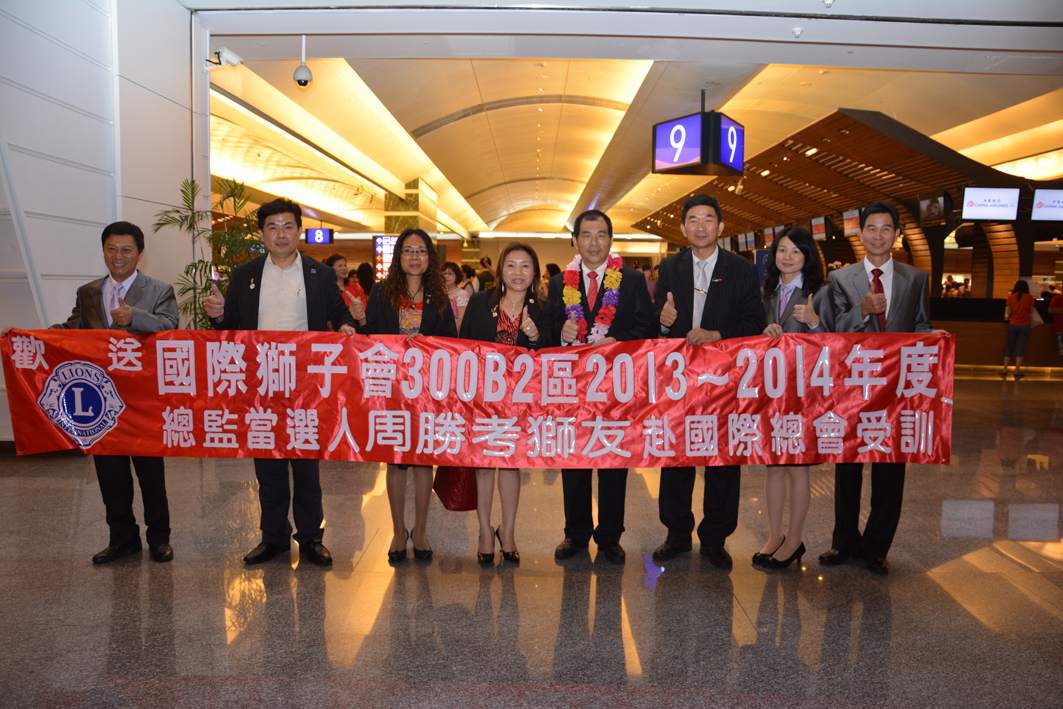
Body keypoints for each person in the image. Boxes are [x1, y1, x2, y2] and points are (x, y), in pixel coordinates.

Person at [1, 222, 179, 564]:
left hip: (143, 401)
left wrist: (135, 316)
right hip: (101, 400)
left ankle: (159, 539)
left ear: (140, 253)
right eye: (112, 249)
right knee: (110, 475)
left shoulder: (159, 289)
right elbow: (70, 330)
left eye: (126, 250)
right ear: (104, 251)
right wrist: (26, 335)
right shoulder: (89, 291)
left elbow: (170, 328)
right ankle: (122, 538)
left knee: (150, 475)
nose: (118, 256)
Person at [204, 199, 356, 567]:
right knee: (268, 463)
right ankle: (272, 538)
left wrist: (348, 324)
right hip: (261, 383)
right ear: (262, 233)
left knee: (306, 465)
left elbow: (339, 314)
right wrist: (218, 316)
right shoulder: (246, 274)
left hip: (307, 383)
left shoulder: (319, 274)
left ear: (299, 231)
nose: (281, 234)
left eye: (288, 226)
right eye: (272, 227)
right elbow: (231, 326)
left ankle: (311, 538)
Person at [818, 200, 935, 575]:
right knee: (848, 468)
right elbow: (832, 330)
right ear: (861, 232)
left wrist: (934, 339)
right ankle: (844, 542)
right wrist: (863, 310)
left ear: (897, 235)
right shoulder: (841, 278)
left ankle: (877, 547)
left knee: (890, 469)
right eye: (872, 228)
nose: (878, 235)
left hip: (895, 391)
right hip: (853, 387)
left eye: (886, 228)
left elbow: (920, 326)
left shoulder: (916, 278)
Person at [652, 194, 766, 569]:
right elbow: (657, 320)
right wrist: (663, 321)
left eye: (708, 220)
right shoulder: (670, 267)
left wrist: (716, 335)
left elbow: (754, 323)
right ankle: (677, 533)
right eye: (693, 220)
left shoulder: (742, 269)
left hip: (724, 378)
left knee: (722, 457)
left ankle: (715, 538)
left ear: (721, 227)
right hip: (680, 379)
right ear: (683, 228)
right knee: (676, 454)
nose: (700, 227)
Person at [547, 209, 654, 564]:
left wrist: (616, 341)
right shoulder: (560, 283)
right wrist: (560, 333)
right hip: (572, 390)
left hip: (616, 390)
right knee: (574, 460)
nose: (594, 243)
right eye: (586, 235)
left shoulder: (632, 280)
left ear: (611, 239)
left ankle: (610, 537)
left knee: (613, 460)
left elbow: (646, 330)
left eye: (601, 235)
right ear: (575, 240)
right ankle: (575, 534)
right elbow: (548, 331)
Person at [353, 228, 457, 562]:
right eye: (408, 250)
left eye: (421, 251)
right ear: (398, 256)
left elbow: (451, 342)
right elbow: (369, 338)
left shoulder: (439, 296)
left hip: (426, 391)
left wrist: (430, 344)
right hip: (391, 389)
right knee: (396, 460)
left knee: (423, 459)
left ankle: (421, 531)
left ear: (430, 258)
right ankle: (399, 532)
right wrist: (360, 320)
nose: (415, 257)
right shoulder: (382, 292)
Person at [459, 242, 552, 564]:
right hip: (484, 398)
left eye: (525, 266)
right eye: (511, 265)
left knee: (512, 464)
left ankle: (508, 531)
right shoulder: (481, 302)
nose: (518, 272)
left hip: (522, 401)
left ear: (534, 273)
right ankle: (485, 531)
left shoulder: (542, 308)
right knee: (484, 466)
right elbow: (464, 348)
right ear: (500, 271)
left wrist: (535, 335)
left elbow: (554, 351)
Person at [756, 226, 833, 570]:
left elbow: (836, 344)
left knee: (797, 465)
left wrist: (814, 322)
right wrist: (762, 332)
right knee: (773, 464)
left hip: (803, 393)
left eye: (796, 251)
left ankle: (795, 540)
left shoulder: (821, 292)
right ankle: (775, 536)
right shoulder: (767, 291)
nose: (787, 257)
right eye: (782, 250)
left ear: (807, 257)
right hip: (771, 391)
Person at [1002, 279, 1035, 380]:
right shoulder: (1030, 297)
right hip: (1025, 325)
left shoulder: (1011, 297)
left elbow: (1008, 311)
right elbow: (1031, 311)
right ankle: (1017, 370)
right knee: (1021, 348)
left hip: (1013, 324)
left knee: (1010, 347)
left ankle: (1004, 369)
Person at [441, 261, 470, 332]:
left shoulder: (461, 294)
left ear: (457, 275)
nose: (446, 276)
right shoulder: (441, 293)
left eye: (450, 273)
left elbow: (461, 319)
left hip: (454, 333)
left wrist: (452, 333)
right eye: (444, 273)